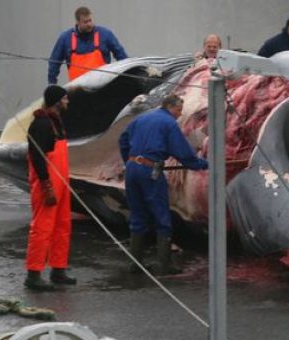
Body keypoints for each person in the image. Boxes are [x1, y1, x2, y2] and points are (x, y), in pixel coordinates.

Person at [118, 95, 208, 275]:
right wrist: (202, 164)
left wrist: (129, 161)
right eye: (178, 111)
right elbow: (182, 151)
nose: (179, 115)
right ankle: (164, 265)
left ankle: (135, 264)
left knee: (137, 215)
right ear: (169, 107)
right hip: (150, 171)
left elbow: (122, 140)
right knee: (162, 216)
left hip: (132, 169)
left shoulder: (141, 118)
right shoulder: (169, 123)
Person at [24, 85, 76, 291]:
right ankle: (33, 273)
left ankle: (58, 269)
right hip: (48, 184)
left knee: (63, 225)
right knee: (42, 228)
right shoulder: (42, 125)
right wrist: (46, 185)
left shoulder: (56, 122)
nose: (67, 102)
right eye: (64, 99)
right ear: (56, 101)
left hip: (61, 182)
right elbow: (37, 157)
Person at [48, 6, 128, 84]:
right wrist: (52, 84)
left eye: (90, 20)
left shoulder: (105, 34)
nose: (89, 24)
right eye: (85, 22)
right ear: (77, 22)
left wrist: (129, 77)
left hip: (103, 88)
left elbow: (122, 57)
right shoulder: (65, 38)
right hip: (77, 91)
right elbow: (54, 62)